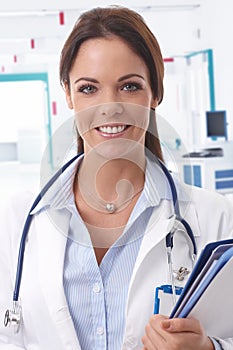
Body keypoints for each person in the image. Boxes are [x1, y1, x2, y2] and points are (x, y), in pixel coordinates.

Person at [0, 5, 233, 350]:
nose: (109, 106)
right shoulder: (16, 220)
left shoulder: (214, 218)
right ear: (67, 94)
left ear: (155, 93)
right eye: (89, 89)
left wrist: (208, 348)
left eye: (129, 86)